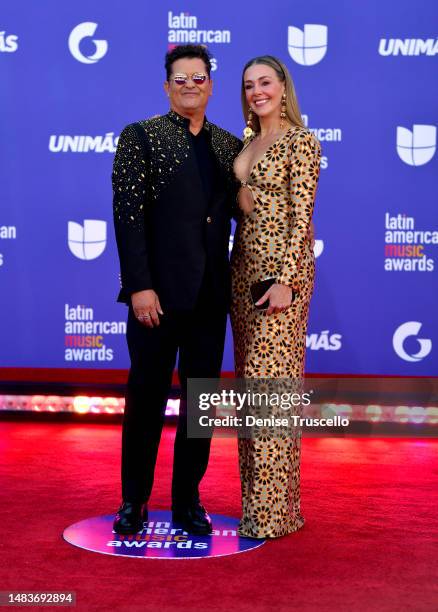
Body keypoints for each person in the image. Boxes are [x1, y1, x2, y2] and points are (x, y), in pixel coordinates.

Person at [112, 44, 241, 535]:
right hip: (157, 300)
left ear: (211, 85)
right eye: (180, 79)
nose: (190, 85)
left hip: (210, 298)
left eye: (199, 77)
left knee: (200, 406)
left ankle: (188, 500)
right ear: (168, 87)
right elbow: (128, 219)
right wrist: (139, 286)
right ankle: (134, 501)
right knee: (145, 399)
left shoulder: (228, 145)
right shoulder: (141, 137)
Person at [231, 55, 321, 538]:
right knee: (255, 394)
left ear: (283, 86)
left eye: (265, 82)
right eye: (248, 85)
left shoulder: (300, 141)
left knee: (272, 393)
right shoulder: (249, 140)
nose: (257, 91)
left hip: (279, 280)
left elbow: (302, 218)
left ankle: (274, 515)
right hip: (242, 276)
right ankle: (258, 508)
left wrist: (286, 278)